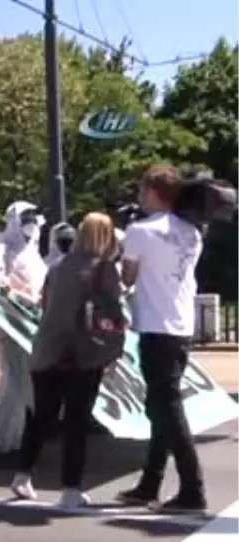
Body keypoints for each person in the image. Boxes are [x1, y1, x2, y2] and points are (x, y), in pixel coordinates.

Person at [11, 213, 122, 507]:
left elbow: (45, 307)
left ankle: (22, 474)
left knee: (41, 416)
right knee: (76, 422)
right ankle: (71, 488)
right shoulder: (105, 270)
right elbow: (114, 314)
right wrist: (112, 350)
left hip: (48, 351)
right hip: (83, 355)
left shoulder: (56, 267)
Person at [117, 165, 208, 513]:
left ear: (153, 192)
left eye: (142, 190)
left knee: (167, 410)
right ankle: (150, 483)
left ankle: (192, 488)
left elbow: (128, 276)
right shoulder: (192, 232)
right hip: (180, 326)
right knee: (160, 408)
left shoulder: (140, 231)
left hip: (156, 326)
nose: (140, 196)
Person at [0, 201, 48, 461]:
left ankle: (20, 438)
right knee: (13, 382)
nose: (31, 223)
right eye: (26, 218)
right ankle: (1, 443)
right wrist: (17, 293)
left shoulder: (31, 251)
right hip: (12, 324)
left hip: (34, 323)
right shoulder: (1, 249)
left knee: (25, 384)